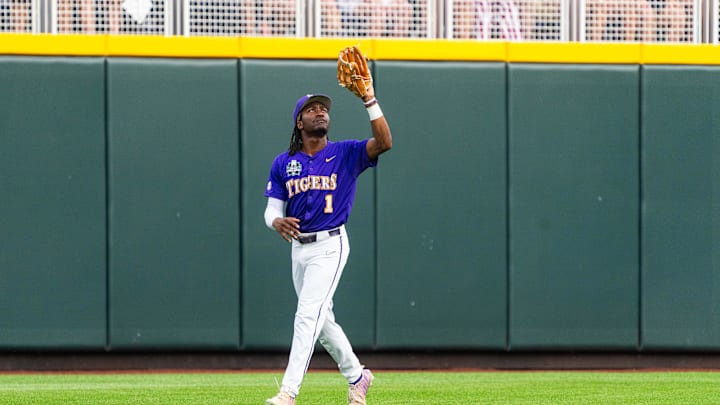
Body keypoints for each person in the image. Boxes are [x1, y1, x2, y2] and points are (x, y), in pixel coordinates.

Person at [263, 87, 392, 402]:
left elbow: (385, 143)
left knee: (307, 315)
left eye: (323, 108)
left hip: (330, 245)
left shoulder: (346, 153)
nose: (320, 111)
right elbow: (272, 210)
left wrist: (370, 101)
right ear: (299, 122)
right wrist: (275, 221)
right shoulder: (284, 163)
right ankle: (358, 376)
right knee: (322, 323)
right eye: (312, 109)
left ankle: (287, 392)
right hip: (300, 248)